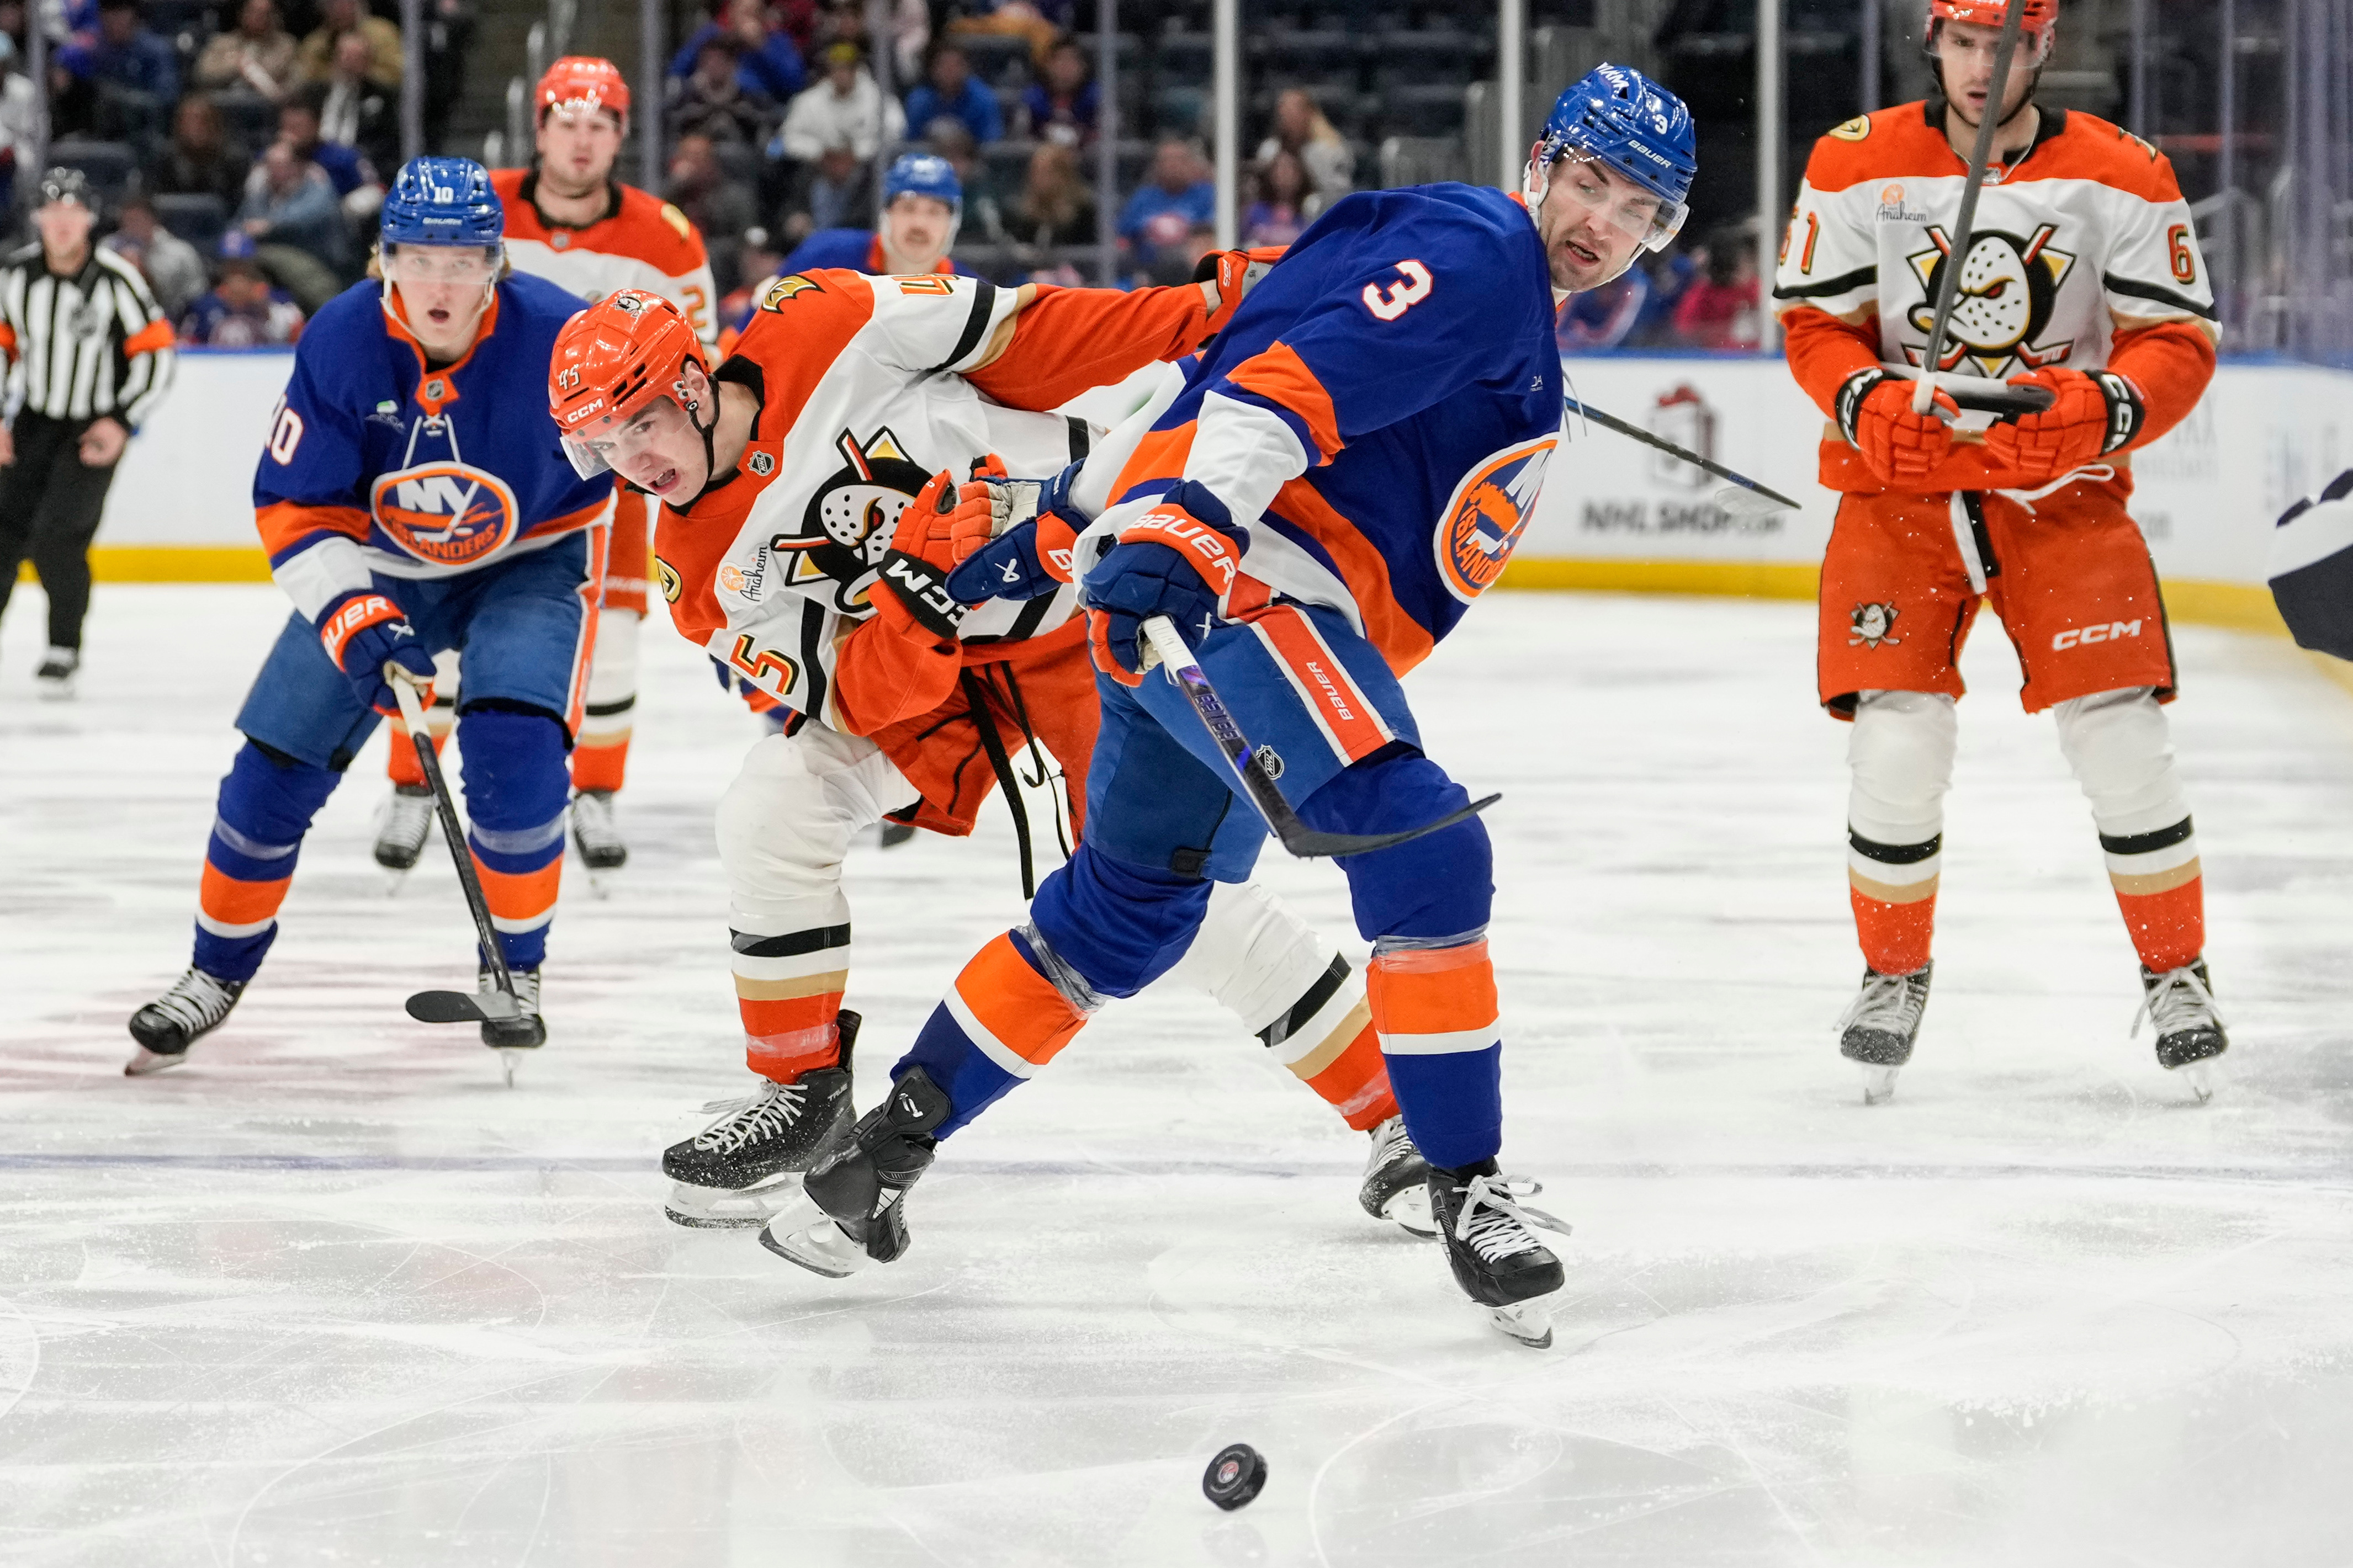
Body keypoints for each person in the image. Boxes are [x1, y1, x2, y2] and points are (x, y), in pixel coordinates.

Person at [754, 66, 1698, 1348]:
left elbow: (1213, 379)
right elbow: (1279, 389)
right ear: (1538, 161)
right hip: (1248, 604)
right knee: (1420, 841)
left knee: (1122, 914)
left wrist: (1057, 533)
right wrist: (1194, 529)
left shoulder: (1477, 280)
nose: (1598, 222)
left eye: (1634, 208)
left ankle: (873, 1157)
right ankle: (1463, 1184)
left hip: (1157, 623)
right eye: (1587, 182)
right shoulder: (1479, 252)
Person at [548, 254, 1434, 1235]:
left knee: (1177, 890)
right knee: (773, 803)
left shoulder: (826, 319)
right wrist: (918, 603)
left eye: (639, 423)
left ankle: (1399, 1120)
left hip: (1085, 607)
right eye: (600, 446)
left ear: (687, 383)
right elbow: (849, 696)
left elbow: (1032, 336)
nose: (630, 459)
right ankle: (799, 1091)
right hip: (935, 678)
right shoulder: (694, 570)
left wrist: (1197, 311)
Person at [1772, 0, 2227, 1099]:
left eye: (2006, 43)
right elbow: (1813, 326)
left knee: (2120, 739)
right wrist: (1862, 395)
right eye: (1965, 42)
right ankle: (1891, 974)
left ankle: (2179, 973)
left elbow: (2179, 339)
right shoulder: (1852, 162)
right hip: (1900, 498)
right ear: (1933, 44)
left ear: (2042, 47)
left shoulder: (2123, 170)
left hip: (2058, 499)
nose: (1984, 64)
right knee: (1895, 747)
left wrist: (2109, 407)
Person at [124, 158, 613, 1075]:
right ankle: (214, 972)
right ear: (384, 257)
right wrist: (353, 612)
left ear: (497, 262)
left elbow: (642, 448)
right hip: (382, 565)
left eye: (464, 260)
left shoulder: (561, 334)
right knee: (268, 775)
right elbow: (296, 505)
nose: (440, 282)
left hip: (530, 557)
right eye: (419, 256)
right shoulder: (342, 338)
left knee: (517, 755)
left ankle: (515, 966)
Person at [370, 56, 720, 878]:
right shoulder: (476, 204)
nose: (583, 139)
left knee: (617, 637)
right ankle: (412, 781)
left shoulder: (664, 238)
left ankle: (594, 792)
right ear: (541, 128)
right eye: (568, 121)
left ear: (620, 136)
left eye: (601, 124)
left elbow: (698, 358)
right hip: (473, 449)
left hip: (615, 461)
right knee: (430, 620)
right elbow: (395, 301)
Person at [0, 168, 176, 699]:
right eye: (52, 212)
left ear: (89, 220)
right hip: (31, 421)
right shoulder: (16, 275)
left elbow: (157, 354)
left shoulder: (116, 277)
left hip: (90, 428)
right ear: (37, 218)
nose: (61, 223)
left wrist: (121, 421)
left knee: (59, 537)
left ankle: (63, 646)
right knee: (3, 535)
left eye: (72, 212)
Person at [777, 149, 962, 276]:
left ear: (953, 222)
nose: (919, 224)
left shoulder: (975, 299)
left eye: (935, 212)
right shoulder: (822, 258)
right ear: (885, 213)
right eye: (908, 208)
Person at [235, 136, 347, 309]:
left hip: (319, 264)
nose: (275, 171)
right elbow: (241, 223)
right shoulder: (262, 194)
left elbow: (306, 216)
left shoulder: (317, 189)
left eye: (282, 165)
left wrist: (270, 225)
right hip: (273, 269)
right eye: (270, 165)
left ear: (298, 166)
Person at [774, 39, 903, 165]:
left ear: (856, 70)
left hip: (866, 169)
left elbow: (895, 133)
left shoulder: (879, 99)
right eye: (836, 68)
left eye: (847, 68)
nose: (841, 74)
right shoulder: (809, 101)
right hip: (819, 169)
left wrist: (856, 154)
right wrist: (821, 153)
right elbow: (789, 137)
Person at [669, 0, 807, 104]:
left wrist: (762, 48)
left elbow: (795, 83)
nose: (747, 20)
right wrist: (723, 39)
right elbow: (677, 69)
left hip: (762, 108)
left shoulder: (776, 40)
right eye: (744, 13)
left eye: (754, 13)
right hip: (712, 105)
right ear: (732, 12)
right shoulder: (713, 34)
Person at [178, 236, 306, 345]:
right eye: (231, 264)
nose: (236, 270)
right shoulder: (204, 305)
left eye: (241, 263)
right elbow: (186, 345)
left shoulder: (278, 299)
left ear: (252, 264)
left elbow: (298, 339)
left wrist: (266, 308)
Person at [103, 193, 209, 320]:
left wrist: (140, 269)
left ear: (153, 220)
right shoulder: (107, 247)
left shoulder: (180, 253)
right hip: (118, 317)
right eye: (127, 221)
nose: (132, 227)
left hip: (172, 319)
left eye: (138, 220)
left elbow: (195, 297)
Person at [59, 0, 179, 109]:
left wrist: (121, 97)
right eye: (108, 12)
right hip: (103, 124)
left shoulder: (155, 50)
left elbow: (166, 97)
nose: (114, 20)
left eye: (120, 12)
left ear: (134, 15)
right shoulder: (96, 49)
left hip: (143, 125)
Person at [1117, 138, 1214, 270]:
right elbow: (1125, 230)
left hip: (1191, 267)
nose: (1172, 166)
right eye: (1166, 161)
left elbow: (1213, 227)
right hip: (1148, 267)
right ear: (1156, 166)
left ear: (1191, 164)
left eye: (1179, 160)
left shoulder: (1207, 195)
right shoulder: (1144, 197)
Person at [1254, 88, 1353, 216]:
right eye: (1283, 111)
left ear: (1309, 114)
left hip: (1319, 212)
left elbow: (1340, 193)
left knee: (1312, 204)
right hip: (1275, 215)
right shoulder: (1269, 149)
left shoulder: (1329, 148)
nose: (1287, 117)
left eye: (1292, 111)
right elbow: (1261, 191)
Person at [665, 36, 777, 147]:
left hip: (739, 158)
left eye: (721, 60)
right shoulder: (685, 100)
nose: (714, 65)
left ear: (732, 64)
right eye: (709, 60)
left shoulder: (750, 99)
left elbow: (766, 127)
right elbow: (673, 128)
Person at [320, 27, 400, 176]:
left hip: (360, 167)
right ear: (335, 58)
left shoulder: (383, 96)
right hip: (317, 165)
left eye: (357, 58)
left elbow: (388, 143)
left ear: (368, 62)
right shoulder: (316, 93)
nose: (350, 64)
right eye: (346, 56)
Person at [152, 94, 251, 207]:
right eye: (188, 123)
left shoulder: (234, 159)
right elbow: (154, 198)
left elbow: (239, 203)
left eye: (201, 123)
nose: (194, 128)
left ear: (213, 125)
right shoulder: (165, 158)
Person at [1671, 226, 1760, 347]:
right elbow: (1684, 332)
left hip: (1752, 359)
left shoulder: (1755, 288)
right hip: (1711, 360)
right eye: (1745, 261)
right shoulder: (1702, 295)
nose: (1751, 266)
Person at [195, 0, 300, 102]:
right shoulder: (222, 43)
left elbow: (295, 80)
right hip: (225, 102)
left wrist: (252, 71)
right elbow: (203, 75)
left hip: (269, 104)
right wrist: (236, 67)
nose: (260, 17)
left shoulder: (286, 45)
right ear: (242, 14)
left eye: (266, 13)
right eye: (255, 11)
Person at [903, 40, 1000, 148]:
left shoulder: (983, 99)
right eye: (944, 65)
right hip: (929, 161)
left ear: (967, 68)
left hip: (973, 161)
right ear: (933, 69)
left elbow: (991, 146)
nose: (950, 71)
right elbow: (910, 143)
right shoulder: (919, 101)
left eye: (956, 65)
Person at [1003, 140, 1094, 250]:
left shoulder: (1084, 213)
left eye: (1046, 172)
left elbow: (1087, 256)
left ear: (1063, 175)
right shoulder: (1021, 216)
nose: (1037, 179)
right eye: (1035, 172)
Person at [298, 0, 402, 91]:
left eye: (347, 3)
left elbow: (398, 74)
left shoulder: (382, 33)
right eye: (333, 4)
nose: (340, 9)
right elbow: (305, 80)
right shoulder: (315, 44)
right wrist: (336, 75)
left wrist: (364, 73)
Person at [1017, 36, 1095, 148]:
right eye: (1060, 60)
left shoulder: (1097, 100)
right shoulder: (1032, 100)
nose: (1066, 66)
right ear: (1048, 65)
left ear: (1083, 67)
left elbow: (1108, 140)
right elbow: (1019, 143)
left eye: (1072, 60)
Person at [1240, 147, 1311, 248]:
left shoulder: (1309, 210)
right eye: (1280, 168)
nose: (1285, 175)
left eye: (1290, 169)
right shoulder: (1256, 211)